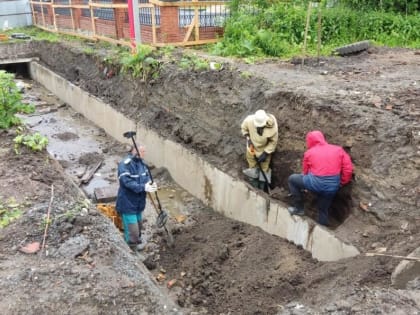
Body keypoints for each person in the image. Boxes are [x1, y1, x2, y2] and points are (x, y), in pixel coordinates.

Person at [288, 130, 353, 226]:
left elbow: (305, 172)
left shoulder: (309, 153)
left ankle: (299, 209)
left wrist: (306, 185)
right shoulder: (338, 150)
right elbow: (348, 169)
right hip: (332, 187)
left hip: (314, 184)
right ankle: (322, 225)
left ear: (310, 141)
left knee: (292, 179)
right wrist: (341, 182)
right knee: (323, 208)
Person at [116, 144, 157, 251]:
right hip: (128, 203)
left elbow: (147, 177)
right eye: (142, 151)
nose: (144, 154)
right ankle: (131, 250)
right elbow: (126, 182)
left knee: (138, 225)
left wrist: (150, 183)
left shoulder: (142, 164)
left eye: (145, 151)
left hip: (139, 203)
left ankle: (136, 243)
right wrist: (143, 187)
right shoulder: (124, 165)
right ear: (135, 151)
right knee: (132, 229)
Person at [241, 109, 278, 187]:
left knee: (264, 170)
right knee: (253, 169)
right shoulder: (249, 120)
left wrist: (265, 153)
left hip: (264, 150)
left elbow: (273, 142)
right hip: (252, 149)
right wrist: (248, 138)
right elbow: (244, 129)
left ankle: (262, 188)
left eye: (261, 127)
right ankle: (254, 187)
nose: (259, 129)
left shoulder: (272, 127)